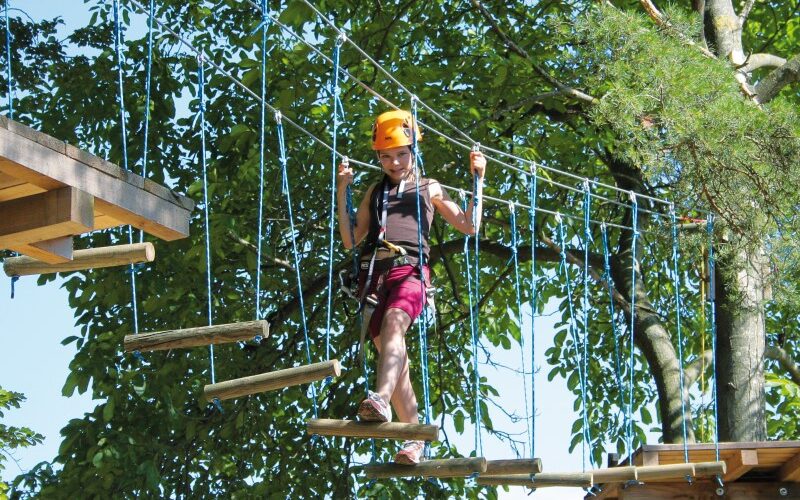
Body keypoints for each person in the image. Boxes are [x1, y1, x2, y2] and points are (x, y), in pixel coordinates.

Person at [336, 109, 486, 465]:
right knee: (396, 357)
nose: (394, 162)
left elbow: (469, 226)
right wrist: (343, 189)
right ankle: (415, 439)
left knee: (393, 327)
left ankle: (380, 400)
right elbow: (349, 240)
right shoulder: (374, 190)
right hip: (374, 279)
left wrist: (478, 179)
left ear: (414, 149)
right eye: (385, 156)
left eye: (401, 153)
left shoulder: (428, 186)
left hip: (411, 272)